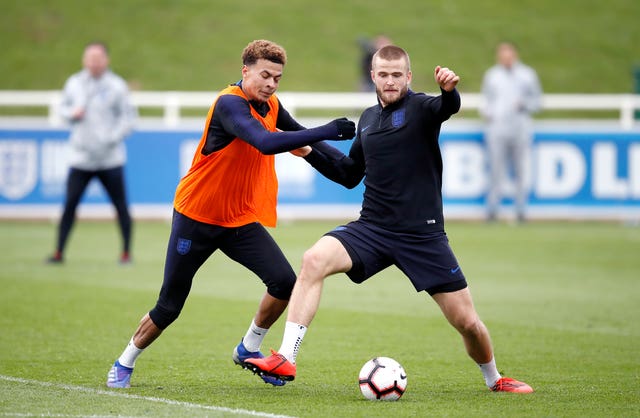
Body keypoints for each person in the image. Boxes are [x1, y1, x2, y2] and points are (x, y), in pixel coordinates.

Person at [245, 45, 534, 393]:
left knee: (467, 322)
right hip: (373, 229)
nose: (391, 81)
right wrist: (307, 151)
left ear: (409, 77)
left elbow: (447, 107)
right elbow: (349, 173)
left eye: (397, 75)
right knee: (314, 259)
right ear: (373, 77)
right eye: (383, 74)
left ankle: (494, 378)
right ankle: (286, 358)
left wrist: (449, 90)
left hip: (421, 236)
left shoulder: (423, 107)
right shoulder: (367, 119)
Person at [105, 39, 356, 388]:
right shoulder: (229, 104)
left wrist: (346, 164)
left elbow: (299, 136)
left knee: (284, 282)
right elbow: (266, 142)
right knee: (169, 306)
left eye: (277, 79)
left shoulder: (271, 105)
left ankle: (249, 347)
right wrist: (329, 129)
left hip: (237, 220)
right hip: (196, 216)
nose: (271, 84)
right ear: (245, 70)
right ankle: (124, 361)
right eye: (265, 75)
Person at [47, 41, 136, 264]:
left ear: (106, 60)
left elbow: (128, 118)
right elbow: (62, 110)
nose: (94, 63)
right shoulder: (74, 83)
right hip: (81, 158)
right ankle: (59, 252)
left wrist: (110, 138)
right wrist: (71, 113)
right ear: (84, 60)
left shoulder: (116, 86)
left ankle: (126, 253)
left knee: (121, 206)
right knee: (70, 205)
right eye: (90, 58)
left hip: (110, 158)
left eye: (98, 59)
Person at [480, 41, 542, 223]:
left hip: (520, 128)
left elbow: (537, 101)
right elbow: (486, 100)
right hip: (497, 129)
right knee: (496, 169)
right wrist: (487, 113)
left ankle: (521, 210)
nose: (506, 58)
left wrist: (524, 105)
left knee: (521, 169)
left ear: (515, 55)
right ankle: (492, 210)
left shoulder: (527, 75)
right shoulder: (492, 75)